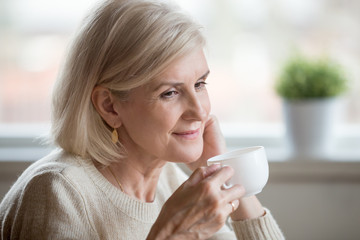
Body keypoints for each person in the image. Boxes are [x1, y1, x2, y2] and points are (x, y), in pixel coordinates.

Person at [0, 0, 284, 239]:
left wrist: (227, 170)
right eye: (170, 93)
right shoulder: (57, 193)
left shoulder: (169, 178)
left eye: (199, 84)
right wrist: (172, 234)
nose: (199, 111)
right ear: (110, 106)